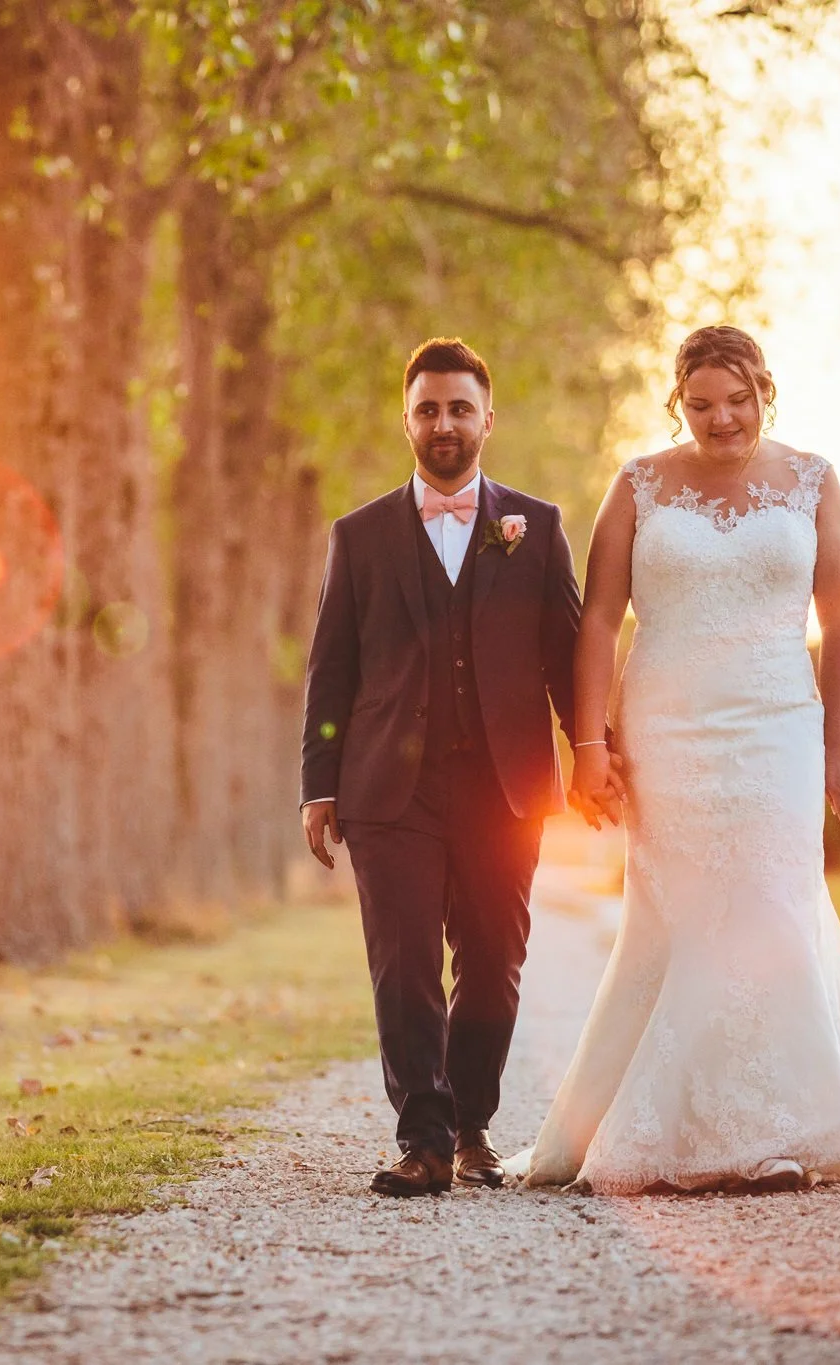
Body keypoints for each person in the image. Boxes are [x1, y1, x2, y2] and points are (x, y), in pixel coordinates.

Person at [506, 325, 840, 1192]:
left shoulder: (815, 480)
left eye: (739, 400)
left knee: (771, 902)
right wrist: (591, 745)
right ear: (678, 402)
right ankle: (679, 1125)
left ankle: (777, 1126)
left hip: (778, 725)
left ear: (765, 392)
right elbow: (597, 620)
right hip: (667, 729)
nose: (722, 419)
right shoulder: (638, 484)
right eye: (702, 404)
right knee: (682, 913)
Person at [299, 338, 616, 1197]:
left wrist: (593, 751)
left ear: (487, 418)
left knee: (493, 964)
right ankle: (425, 1141)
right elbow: (331, 668)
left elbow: (566, 657)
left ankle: (472, 1123)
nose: (445, 423)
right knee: (403, 965)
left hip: (503, 787)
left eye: (459, 408)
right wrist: (319, 784)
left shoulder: (536, 527)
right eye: (429, 409)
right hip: (387, 788)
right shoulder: (359, 536)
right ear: (406, 420)